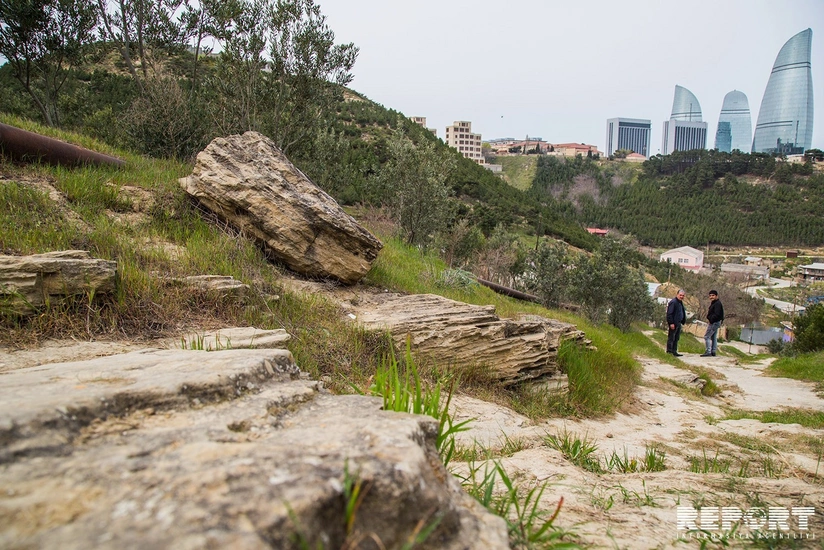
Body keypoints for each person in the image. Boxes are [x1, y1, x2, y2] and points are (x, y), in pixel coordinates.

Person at [701, 290, 724, 357]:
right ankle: (713, 351)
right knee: (713, 336)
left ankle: (708, 351)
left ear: (717, 296)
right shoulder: (714, 303)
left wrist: (711, 319)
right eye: (710, 295)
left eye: (713, 295)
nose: (711, 297)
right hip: (716, 322)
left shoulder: (717, 304)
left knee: (707, 336)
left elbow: (717, 315)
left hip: (714, 322)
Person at [666, 289, 687, 356]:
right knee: (671, 337)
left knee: (676, 338)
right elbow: (669, 313)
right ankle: (669, 351)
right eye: (680, 295)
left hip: (678, 323)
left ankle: (674, 351)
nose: (681, 297)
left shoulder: (680, 302)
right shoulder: (673, 302)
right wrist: (671, 323)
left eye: (683, 295)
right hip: (674, 323)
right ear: (677, 294)